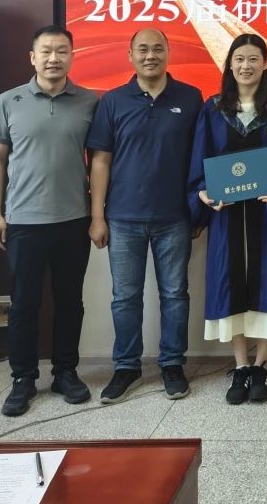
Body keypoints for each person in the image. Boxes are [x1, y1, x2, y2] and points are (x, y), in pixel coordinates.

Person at [0, 25, 99, 417]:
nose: (54, 58)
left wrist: (97, 214)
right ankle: (23, 378)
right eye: (46, 52)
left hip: (73, 219)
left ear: (72, 56)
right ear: (33, 58)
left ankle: (66, 372)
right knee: (24, 304)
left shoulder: (89, 102)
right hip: (24, 221)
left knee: (70, 301)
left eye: (62, 51)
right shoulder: (9, 101)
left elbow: (99, 161)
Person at [86, 28, 203, 403]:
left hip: (175, 216)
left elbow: (201, 157)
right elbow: (100, 161)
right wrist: (97, 216)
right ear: (130, 55)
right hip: (122, 217)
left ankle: (172, 364)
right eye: (142, 49)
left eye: (157, 49)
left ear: (168, 53)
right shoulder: (113, 101)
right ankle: (126, 366)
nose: (150, 55)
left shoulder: (190, 98)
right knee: (125, 297)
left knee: (175, 295)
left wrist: (198, 211)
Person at [187, 32, 267, 405]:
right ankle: (240, 366)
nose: (246, 66)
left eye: (254, 59)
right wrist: (203, 192)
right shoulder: (214, 109)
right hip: (227, 216)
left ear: (266, 64)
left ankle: (261, 365)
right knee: (229, 282)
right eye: (239, 59)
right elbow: (200, 159)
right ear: (229, 65)